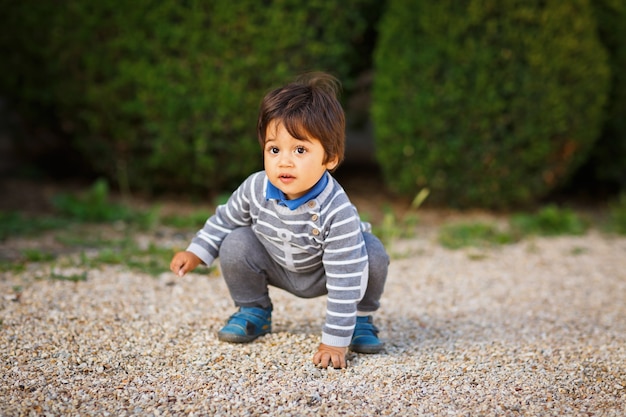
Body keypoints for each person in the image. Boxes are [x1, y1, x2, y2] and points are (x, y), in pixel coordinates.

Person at [169, 72, 389, 369]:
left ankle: (360, 321)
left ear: (331, 158)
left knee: (372, 252)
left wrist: (333, 342)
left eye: (300, 150)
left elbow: (345, 279)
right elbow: (225, 218)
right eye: (274, 149)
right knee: (236, 241)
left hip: (326, 270)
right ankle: (254, 310)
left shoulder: (337, 211)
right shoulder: (255, 188)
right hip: (277, 263)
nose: (284, 161)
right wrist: (196, 252)